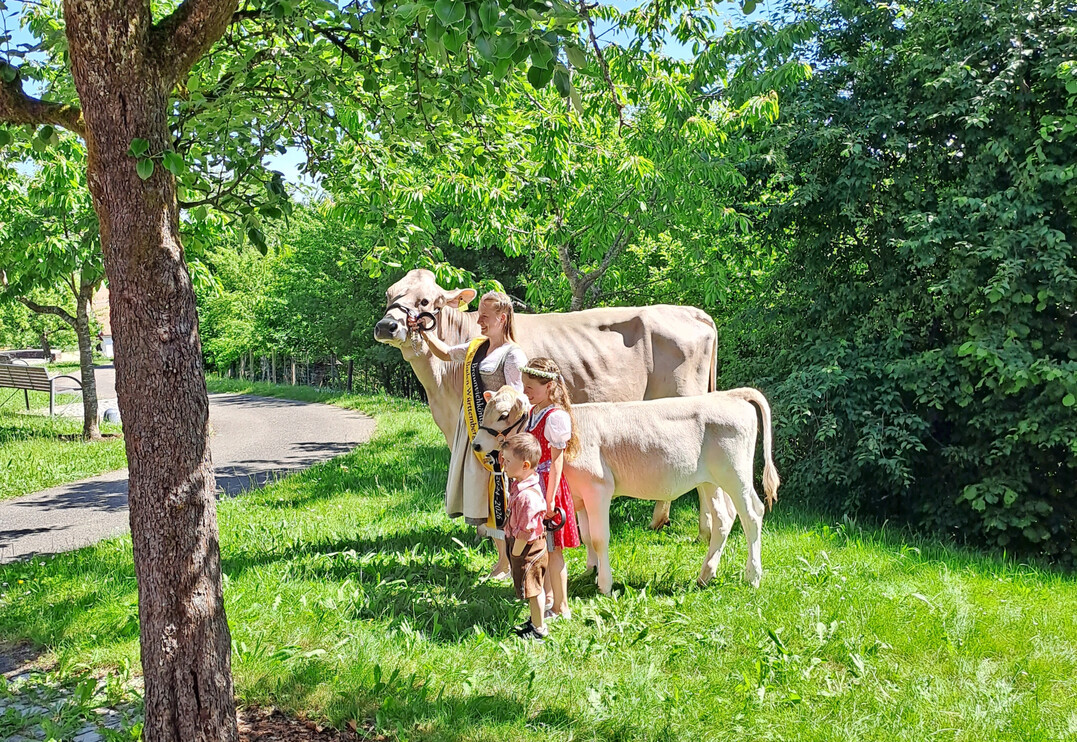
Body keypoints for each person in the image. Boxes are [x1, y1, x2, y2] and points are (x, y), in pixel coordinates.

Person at [409, 290, 527, 578]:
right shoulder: (477, 347)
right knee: (486, 495)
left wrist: (506, 437)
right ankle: (502, 559)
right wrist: (424, 331)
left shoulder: (513, 354)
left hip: (497, 434)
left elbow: (518, 397)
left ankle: (513, 560)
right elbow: (446, 354)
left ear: (502, 318)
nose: (480, 322)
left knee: (502, 493)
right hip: (474, 428)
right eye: (479, 316)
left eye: (485, 317)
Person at [520, 357, 581, 621]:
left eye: (530, 387)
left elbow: (556, 462)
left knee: (554, 551)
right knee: (541, 549)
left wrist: (550, 499)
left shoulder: (555, 417)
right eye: (524, 386)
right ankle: (549, 597)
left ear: (549, 387)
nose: (526, 392)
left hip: (548, 489)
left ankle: (562, 605)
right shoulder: (534, 413)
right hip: (535, 486)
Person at [500, 433, 549, 642]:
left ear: (525, 465)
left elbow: (527, 530)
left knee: (533, 589)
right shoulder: (521, 483)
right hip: (523, 547)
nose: (504, 464)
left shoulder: (527, 496)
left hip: (528, 549)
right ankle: (534, 620)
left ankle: (539, 629)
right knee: (531, 588)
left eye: (508, 461)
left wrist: (516, 552)